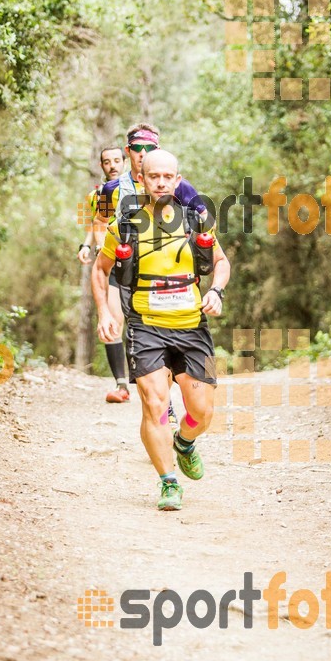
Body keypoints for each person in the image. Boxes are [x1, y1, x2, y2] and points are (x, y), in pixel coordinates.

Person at [91, 149, 230, 512]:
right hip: (144, 325)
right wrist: (104, 311)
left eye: (169, 177)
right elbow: (99, 269)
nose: (162, 182)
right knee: (154, 405)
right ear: (142, 179)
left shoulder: (196, 220)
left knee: (202, 412)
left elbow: (220, 262)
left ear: (178, 179)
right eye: (155, 177)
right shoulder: (123, 224)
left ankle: (184, 443)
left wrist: (215, 290)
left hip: (191, 325)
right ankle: (168, 482)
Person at [92, 121, 211, 424]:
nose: (143, 153)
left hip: (169, 276)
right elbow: (99, 221)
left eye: (150, 148)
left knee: (157, 329)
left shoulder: (176, 185)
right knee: (137, 325)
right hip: (126, 268)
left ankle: (165, 396)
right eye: (137, 148)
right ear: (127, 149)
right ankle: (156, 399)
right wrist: (101, 247)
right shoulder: (111, 188)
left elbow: (204, 219)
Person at [77, 146, 130, 403]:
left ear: (125, 161)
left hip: (139, 261)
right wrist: (88, 245)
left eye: (117, 160)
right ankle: (121, 384)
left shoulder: (137, 189)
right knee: (113, 320)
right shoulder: (96, 194)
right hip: (110, 262)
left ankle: (146, 377)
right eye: (107, 162)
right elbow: (95, 222)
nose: (112, 165)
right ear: (101, 166)